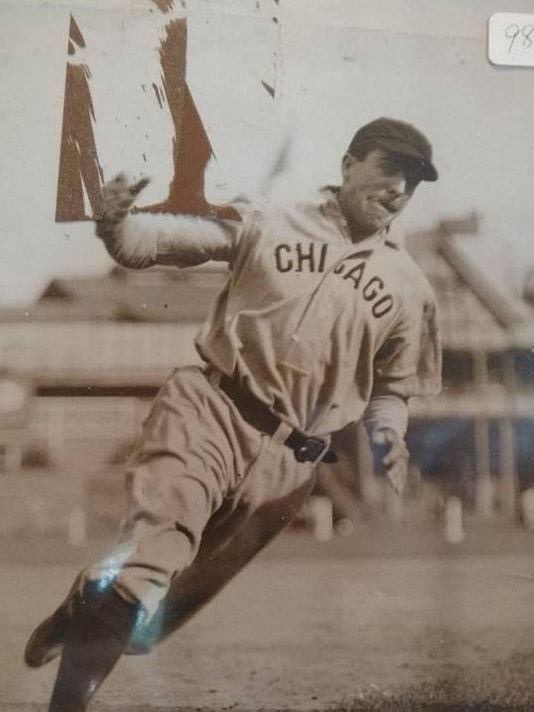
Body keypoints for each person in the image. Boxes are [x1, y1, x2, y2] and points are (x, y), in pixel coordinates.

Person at [24, 117, 441, 711]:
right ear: (349, 164)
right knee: (147, 567)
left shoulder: (410, 287)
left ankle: (78, 610)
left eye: (414, 180)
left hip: (291, 465)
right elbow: (162, 242)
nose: (400, 188)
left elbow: (395, 387)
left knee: (152, 619)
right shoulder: (270, 218)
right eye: (389, 168)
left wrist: (388, 430)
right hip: (213, 407)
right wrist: (116, 224)